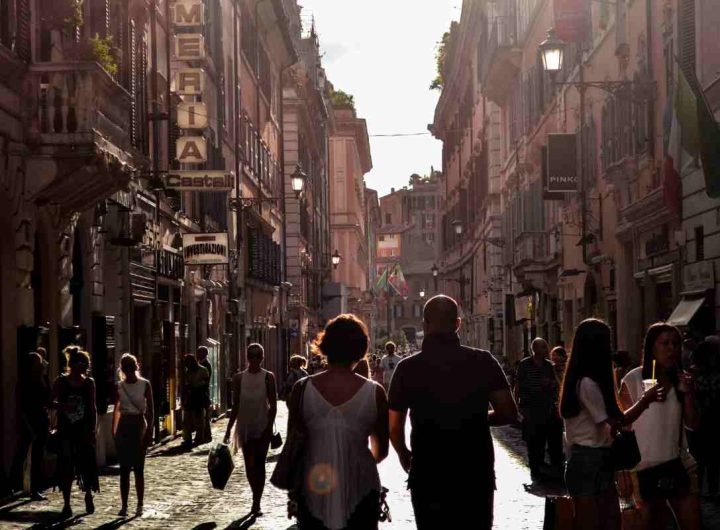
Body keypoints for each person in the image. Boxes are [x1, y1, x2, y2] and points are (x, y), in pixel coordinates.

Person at [388, 295, 517, 529]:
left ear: (424, 325)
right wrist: (478, 418)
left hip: (428, 471)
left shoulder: (407, 368)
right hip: (474, 471)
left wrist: (404, 455)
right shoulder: (483, 361)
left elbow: (394, 427)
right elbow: (508, 412)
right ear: (458, 324)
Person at [286, 314, 388, 529]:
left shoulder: (302, 389)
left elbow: (294, 444)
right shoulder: (375, 392)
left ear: (326, 346)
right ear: (361, 349)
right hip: (361, 486)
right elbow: (382, 450)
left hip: (314, 487)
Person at [561, 319, 662, 530]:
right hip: (587, 458)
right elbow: (616, 421)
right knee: (590, 522)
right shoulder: (587, 384)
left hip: (597, 457)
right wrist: (644, 401)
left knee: (610, 520)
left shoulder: (591, 381)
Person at [619, 322, 701, 529]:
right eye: (665, 343)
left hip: (677, 462)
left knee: (692, 522)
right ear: (651, 347)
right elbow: (621, 427)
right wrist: (622, 472)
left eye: (675, 343)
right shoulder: (634, 379)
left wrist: (688, 393)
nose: (671, 348)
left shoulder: (680, 380)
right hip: (642, 467)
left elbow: (692, 424)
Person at [223, 344, 278, 515]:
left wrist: (269, 426)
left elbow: (274, 405)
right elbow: (236, 404)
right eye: (252, 356)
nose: (255, 359)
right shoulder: (239, 378)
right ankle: (255, 494)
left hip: (262, 426)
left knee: (259, 464)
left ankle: (256, 502)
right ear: (247, 357)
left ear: (262, 357)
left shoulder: (268, 377)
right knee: (249, 464)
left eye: (258, 356)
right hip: (245, 425)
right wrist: (228, 429)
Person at [51, 347, 99, 518]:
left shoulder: (89, 383)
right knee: (66, 466)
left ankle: (88, 495)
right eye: (82, 363)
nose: (85, 366)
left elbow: (92, 408)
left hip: (83, 430)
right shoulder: (61, 382)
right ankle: (66, 503)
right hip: (66, 430)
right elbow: (50, 402)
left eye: (86, 363)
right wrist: (64, 407)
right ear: (73, 364)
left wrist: (93, 429)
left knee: (86, 465)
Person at [515, 337, 563, 481]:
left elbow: (557, 385)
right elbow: (517, 385)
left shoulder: (549, 366)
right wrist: (517, 406)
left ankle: (546, 465)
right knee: (533, 439)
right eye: (543, 347)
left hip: (546, 407)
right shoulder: (524, 365)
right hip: (530, 408)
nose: (546, 350)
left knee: (546, 437)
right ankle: (535, 467)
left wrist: (551, 384)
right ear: (535, 349)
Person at [112, 353, 154, 517]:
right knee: (124, 469)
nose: (128, 371)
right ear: (122, 369)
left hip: (138, 426)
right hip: (125, 426)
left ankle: (139, 504)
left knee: (138, 468)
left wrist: (149, 431)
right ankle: (125, 505)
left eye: (130, 367)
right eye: (125, 368)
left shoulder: (145, 384)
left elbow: (151, 409)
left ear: (135, 367)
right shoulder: (119, 386)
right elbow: (116, 410)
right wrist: (114, 431)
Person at [12, 352, 51, 500]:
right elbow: (21, 406)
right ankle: (13, 484)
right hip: (28, 422)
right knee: (21, 454)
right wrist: (27, 425)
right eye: (38, 362)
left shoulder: (41, 380)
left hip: (41, 421)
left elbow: (47, 399)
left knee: (37, 457)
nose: (41, 364)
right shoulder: (24, 383)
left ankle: (34, 489)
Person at [689, 339, 720, 499]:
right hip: (710, 420)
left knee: (701, 458)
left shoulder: (695, 376)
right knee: (712, 459)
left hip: (701, 421)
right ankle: (711, 489)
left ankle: (700, 488)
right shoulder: (713, 376)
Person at [181, 354, 210, 449]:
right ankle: (187, 438)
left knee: (199, 420)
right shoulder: (187, 372)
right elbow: (185, 385)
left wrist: (195, 387)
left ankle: (199, 437)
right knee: (187, 420)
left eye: (188, 363)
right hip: (189, 398)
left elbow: (205, 385)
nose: (187, 366)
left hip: (199, 398)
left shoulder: (203, 370)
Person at [196, 346, 213, 443]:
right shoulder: (201, 363)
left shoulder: (206, 365)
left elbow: (206, 380)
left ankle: (206, 435)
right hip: (201, 393)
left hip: (203, 393)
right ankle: (205, 435)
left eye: (199, 353)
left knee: (205, 416)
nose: (197, 354)